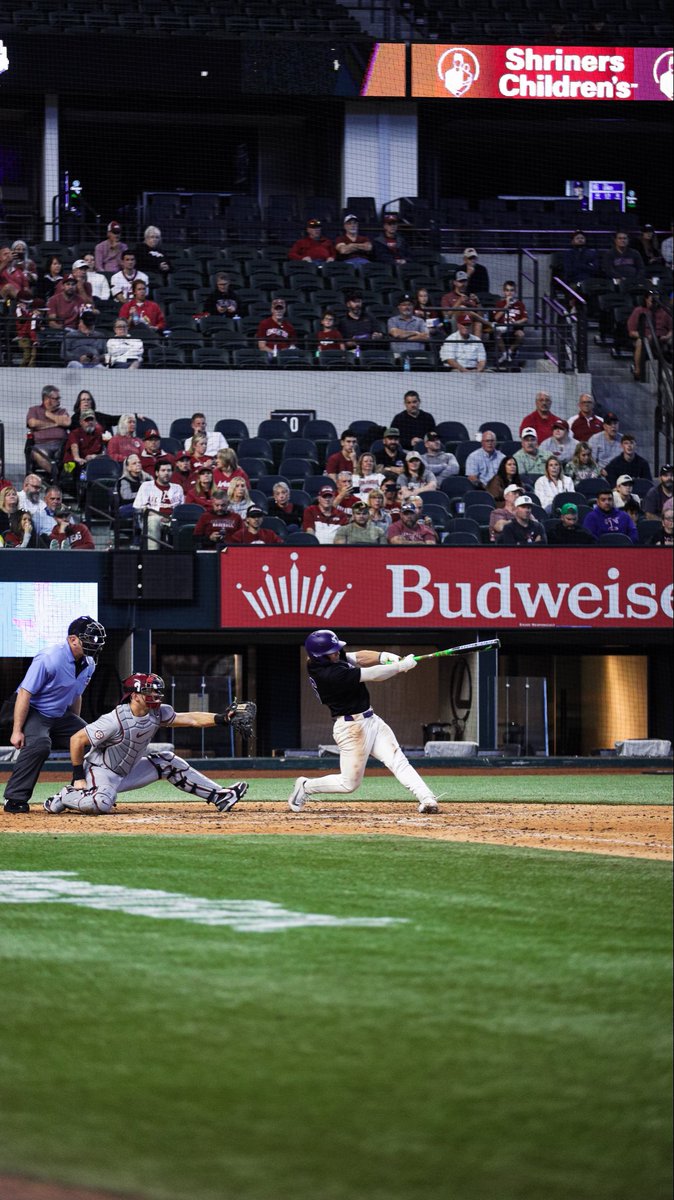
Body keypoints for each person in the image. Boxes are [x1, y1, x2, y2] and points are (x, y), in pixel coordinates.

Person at [44, 673, 248, 817]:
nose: (155, 695)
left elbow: (191, 719)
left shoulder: (158, 712)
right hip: (100, 771)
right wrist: (78, 777)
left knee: (167, 760)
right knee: (100, 804)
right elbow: (77, 740)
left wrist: (223, 718)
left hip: (127, 771)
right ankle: (66, 795)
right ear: (134, 696)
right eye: (149, 691)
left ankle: (221, 796)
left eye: (156, 691)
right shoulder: (114, 720)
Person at [287, 630, 438, 815]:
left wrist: (383, 657)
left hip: (371, 719)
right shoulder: (328, 674)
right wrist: (401, 666)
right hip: (351, 728)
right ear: (320, 656)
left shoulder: (329, 657)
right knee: (348, 784)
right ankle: (305, 786)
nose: (337, 653)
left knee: (397, 760)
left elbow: (357, 657)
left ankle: (427, 798)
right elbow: (373, 674)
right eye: (332, 651)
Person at [3, 616, 106, 813]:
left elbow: (77, 695)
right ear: (72, 639)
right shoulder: (49, 658)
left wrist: (76, 729)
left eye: (96, 640)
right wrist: (17, 730)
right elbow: (25, 693)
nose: (94, 644)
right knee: (41, 745)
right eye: (89, 639)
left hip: (60, 715)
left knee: (94, 738)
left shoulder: (90, 662)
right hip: (35, 711)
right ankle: (14, 799)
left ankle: (80, 792)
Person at [133, 459, 184, 550]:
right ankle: (152, 554)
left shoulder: (178, 488)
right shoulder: (146, 486)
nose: (166, 473)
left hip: (173, 518)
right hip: (153, 517)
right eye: (163, 470)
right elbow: (139, 507)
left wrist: (171, 517)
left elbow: (182, 509)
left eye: (169, 470)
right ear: (157, 473)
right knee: (153, 521)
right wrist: (160, 516)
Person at [626, 290, 672, 382]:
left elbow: (672, 329)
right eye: (652, 301)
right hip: (646, 338)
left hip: (662, 337)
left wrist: (667, 336)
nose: (655, 303)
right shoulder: (639, 311)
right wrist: (644, 336)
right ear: (646, 299)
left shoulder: (665, 311)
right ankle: (638, 370)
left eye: (657, 301)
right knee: (640, 342)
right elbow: (631, 331)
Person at [26, 384, 70, 478]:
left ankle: (62, 476)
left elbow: (67, 422)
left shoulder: (62, 411)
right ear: (47, 399)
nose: (59, 401)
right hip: (41, 445)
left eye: (59, 398)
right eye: (56, 398)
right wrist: (56, 423)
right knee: (38, 454)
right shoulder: (34, 410)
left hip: (61, 445)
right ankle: (57, 476)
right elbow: (32, 423)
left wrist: (49, 415)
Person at [493, 280, 528, 365]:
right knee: (497, 333)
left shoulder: (520, 304)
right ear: (504, 292)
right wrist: (506, 306)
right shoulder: (499, 304)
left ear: (515, 292)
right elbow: (496, 318)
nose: (509, 293)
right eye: (507, 290)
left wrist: (516, 322)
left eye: (512, 290)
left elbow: (525, 318)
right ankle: (505, 354)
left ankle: (509, 352)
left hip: (514, 328)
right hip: (502, 328)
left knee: (521, 334)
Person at [387, 294, 430, 359]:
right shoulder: (392, 320)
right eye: (404, 305)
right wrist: (415, 333)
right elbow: (396, 334)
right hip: (398, 354)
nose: (407, 307)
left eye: (409, 305)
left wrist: (405, 339)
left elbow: (426, 336)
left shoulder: (420, 321)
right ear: (399, 307)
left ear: (413, 307)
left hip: (417, 354)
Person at [116, 454, 151, 521]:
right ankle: (141, 529)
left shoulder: (147, 478)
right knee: (143, 508)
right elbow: (127, 496)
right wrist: (143, 494)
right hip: (126, 507)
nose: (138, 464)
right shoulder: (124, 480)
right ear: (128, 467)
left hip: (142, 504)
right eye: (134, 463)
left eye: (139, 462)